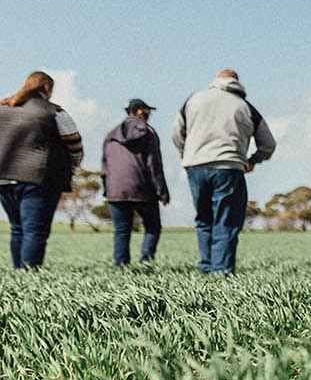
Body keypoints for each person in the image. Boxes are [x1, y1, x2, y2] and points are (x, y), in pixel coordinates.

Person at [172, 69, 276, 275]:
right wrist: (252, 161)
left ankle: (207, 267)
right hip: (229, 167)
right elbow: (268, 144)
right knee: (226, 220)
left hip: (195, 166)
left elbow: (176, 133)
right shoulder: (245, 106)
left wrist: (188, 154)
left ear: (215, 81)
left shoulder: (193, 100)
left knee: (203, 218)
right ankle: (221, 271)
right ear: (237, 83)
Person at [0, 71, 82, 269]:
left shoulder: (3, 107)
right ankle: (28, 279)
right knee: (35, 231)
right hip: (38, 179)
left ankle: (19, 275)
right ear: (46, 88)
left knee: (17, 228)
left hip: (3, 179)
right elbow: (74, 143)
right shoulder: (54, 111)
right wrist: (73, 166)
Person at [101, 98, 170, 266]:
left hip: (115, 190)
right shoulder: (148, 132)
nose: (149, 114)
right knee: (153, 227)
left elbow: (105, 166)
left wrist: (107, 190)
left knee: (121, 230)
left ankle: (121, 267)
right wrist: (162, 193)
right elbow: (154, 165)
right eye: (148, 111)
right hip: (143, 189)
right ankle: (145, 262)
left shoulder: (111, 134)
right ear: (140, 111)